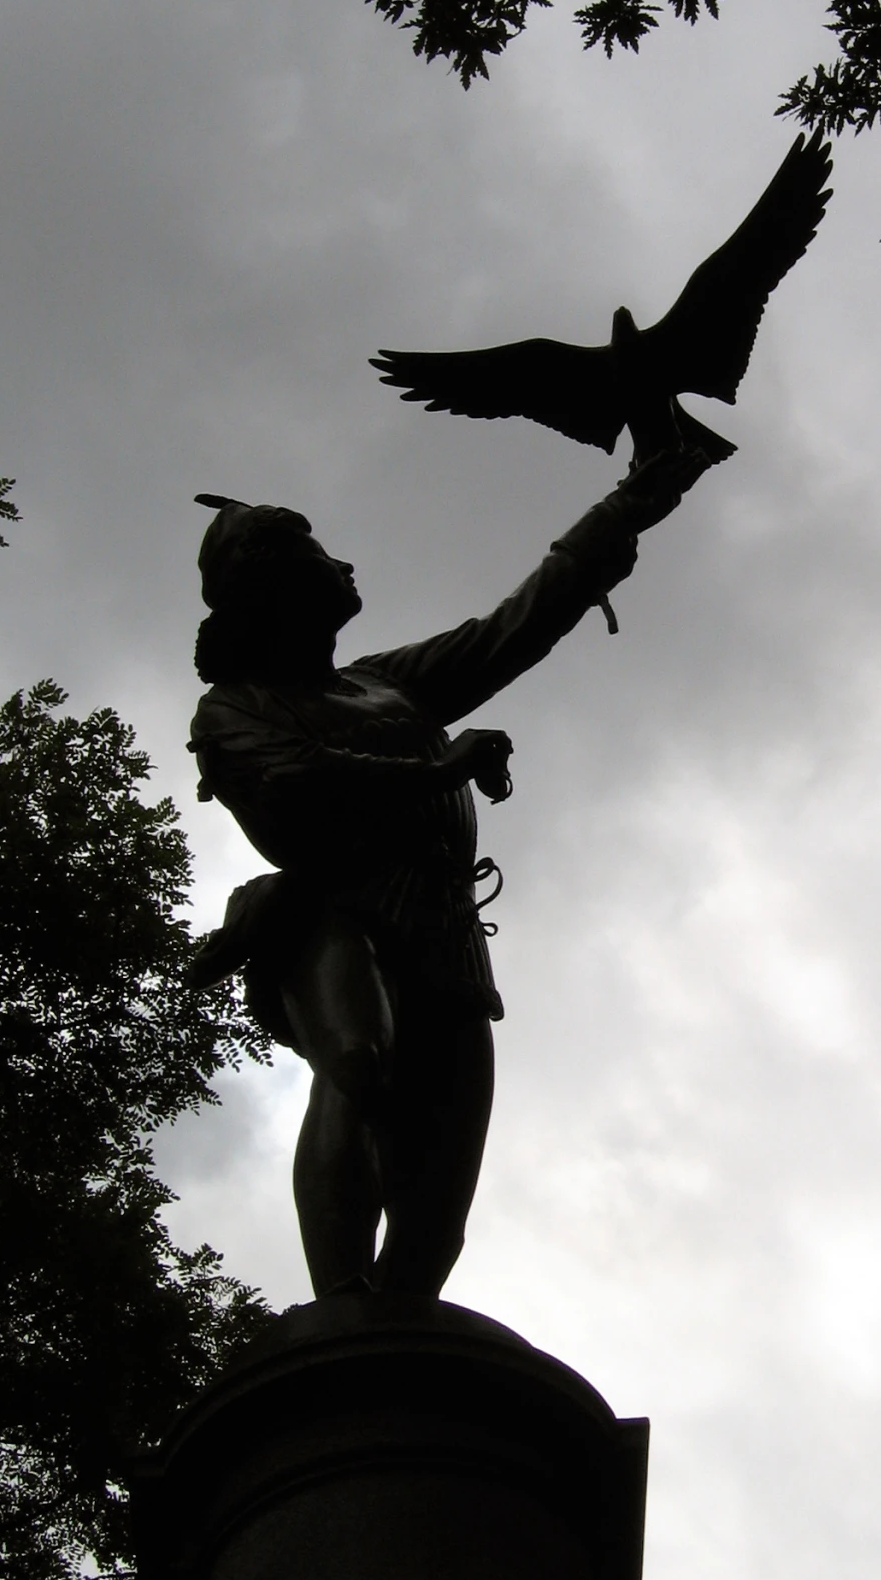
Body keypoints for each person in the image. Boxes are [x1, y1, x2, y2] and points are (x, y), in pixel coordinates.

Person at [186, 450, 708, 1298]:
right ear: (274, 581)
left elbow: (517, 626)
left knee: (436, 1220)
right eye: (320, 552)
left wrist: (631, 504)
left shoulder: (387, 684)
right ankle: (339, 1310)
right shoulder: (233, 708)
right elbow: (293, 783)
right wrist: (438, 770)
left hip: (447, 939)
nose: (345, 564)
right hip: (332, 916)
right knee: (358, 1058)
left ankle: (394, 1344)